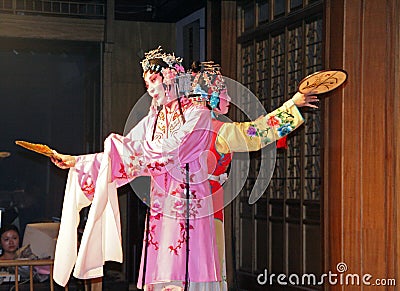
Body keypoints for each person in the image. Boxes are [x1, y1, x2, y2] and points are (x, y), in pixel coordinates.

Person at [50, 47, 222, 290]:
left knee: (186, 263)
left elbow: (171, 149)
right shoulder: (155, 118)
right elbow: (126, 154)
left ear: (171, 77)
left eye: (154, 80)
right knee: (161, 259)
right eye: (147, 83)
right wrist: (78, 161)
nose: (150, 89)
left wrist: (122, 148)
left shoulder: (199, 113)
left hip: (188, 200)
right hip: (161, 200)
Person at [188, 61, 318, 289]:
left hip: (178, 207)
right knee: (207, 264)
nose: (227, 97)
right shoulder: (219, 130)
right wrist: (293, 104)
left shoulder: (178, 128)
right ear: (214, 96)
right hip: (206, 202)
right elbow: (257, 134)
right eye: (224, 91)